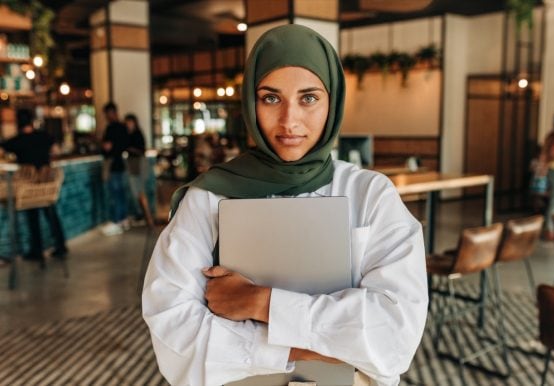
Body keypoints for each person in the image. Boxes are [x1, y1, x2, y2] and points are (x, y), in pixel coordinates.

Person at [142, 25, 428, 386]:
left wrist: (260, 304)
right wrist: (322, 346)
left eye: (308, 98)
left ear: (332, 101)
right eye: (271, 98)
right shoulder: (209, 197)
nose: (289, 120)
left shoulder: (370, 194)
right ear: (250, 101)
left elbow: (395, 335)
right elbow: (173, 327)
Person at [0, 109, 68, 264]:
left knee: (33, 216)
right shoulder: (44, 136)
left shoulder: (17, 140)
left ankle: (36, 250)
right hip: (46, 186)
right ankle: (61, 246)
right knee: (51, 214)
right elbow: (56, 148)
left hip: (29, 188)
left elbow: (3, 148)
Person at [101, 102, 129, 236]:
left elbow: (106, 148)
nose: (106, 117)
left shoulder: (111, 128)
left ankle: (117, 221)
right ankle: (123, 220)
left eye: (107, 114)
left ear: (112, 113)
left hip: (113, 165)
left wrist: (106, 147)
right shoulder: (123, 127)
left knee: (116, 195)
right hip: (122, 165)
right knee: (121, 194)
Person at [124, 113, 147, 222]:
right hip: (131, 163)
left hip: (139, 162)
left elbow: (142, 150)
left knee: (140, 190)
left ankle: (143, 215)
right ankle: (139, 214)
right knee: (134, 190)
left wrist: (130, 149)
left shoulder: (138, 134)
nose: (128, 124)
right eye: (127, 122)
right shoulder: (126, 134)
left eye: (130, 122)